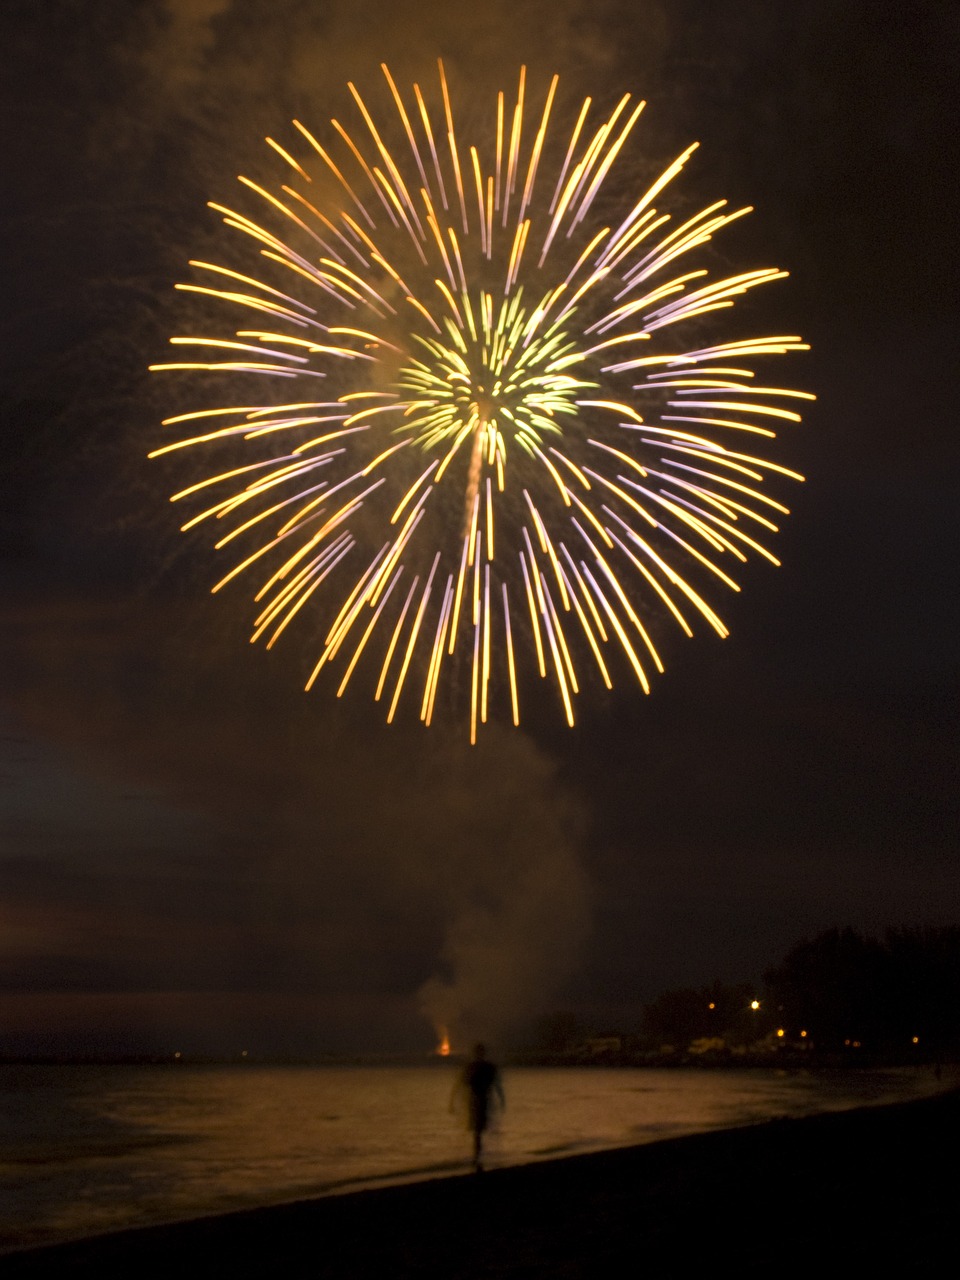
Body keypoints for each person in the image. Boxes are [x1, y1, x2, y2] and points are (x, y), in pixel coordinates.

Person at [452, 1042, 505, 1171]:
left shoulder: (476, 1067)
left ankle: (478, 1156)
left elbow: (460, 1084)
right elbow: (460, 1084)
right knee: (479, 1131)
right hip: (478, 1100)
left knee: (478, 1131)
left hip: (478, 1100)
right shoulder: (481, 1067)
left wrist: (452, 1101)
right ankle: (479, 1156)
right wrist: (502, 1100)